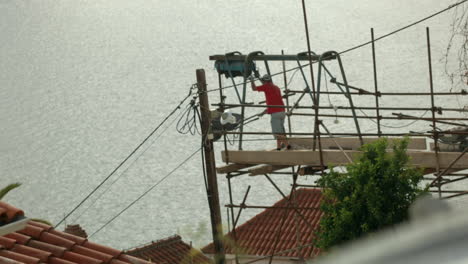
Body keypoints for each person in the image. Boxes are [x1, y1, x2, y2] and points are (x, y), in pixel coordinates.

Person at [250, 74, 290, 150]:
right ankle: (278, 147)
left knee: (277, 133)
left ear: (265, 81)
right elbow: (274, 104)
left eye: (263, 81)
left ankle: (288, 146)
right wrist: (263, 113)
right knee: (280, 132)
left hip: (275, 114)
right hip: (282, 112)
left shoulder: (266, 86)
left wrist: (251, 80)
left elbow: (254, 88)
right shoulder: (277, 88)